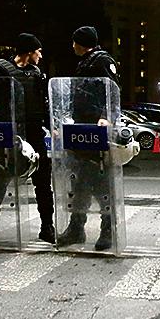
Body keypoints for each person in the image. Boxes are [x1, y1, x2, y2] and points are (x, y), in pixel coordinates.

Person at [0, 33, 54, 245]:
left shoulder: (37, 73)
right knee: (0, 179)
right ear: (28, 51)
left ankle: (47, 226)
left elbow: (42, 103)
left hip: (34, 131)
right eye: (38, 51)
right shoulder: (2, 70)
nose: (41, 55)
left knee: (43, 180)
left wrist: (51, 125)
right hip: (10, 132)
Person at [56, 26, 120, 251]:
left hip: (96, 129)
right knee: (79, 181)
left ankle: (107, 230)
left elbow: (113, 90)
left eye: (74, 42)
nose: (72, 46)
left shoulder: (102, 60)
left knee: (101, 181)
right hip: (82, 129)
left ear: (81, 42)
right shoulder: (85, 62)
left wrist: (106, 117)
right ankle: (76, 228)